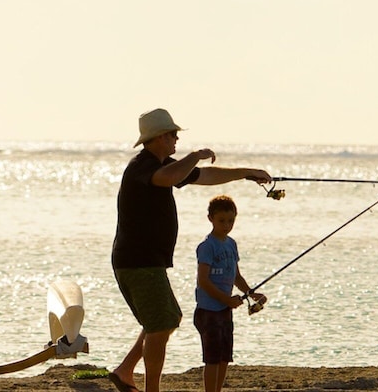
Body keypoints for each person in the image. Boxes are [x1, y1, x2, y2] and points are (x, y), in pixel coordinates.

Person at [108, 108, 271, 392]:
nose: (176, 139)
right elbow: (167, 177)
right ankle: (150, 389)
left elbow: (204, 176)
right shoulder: (143, 167)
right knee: (161, 323)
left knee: (165, 318)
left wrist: (246, 173)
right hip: (138, 262)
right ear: (159, 137)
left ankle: (125, 371)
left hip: (147, 261)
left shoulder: (163, 164)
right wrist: (194, 155)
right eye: (172, 134)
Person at [193, 195, 266, 392]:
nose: (227, 225)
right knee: (212, 359)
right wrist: (227, 299)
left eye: (231, 221)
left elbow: (237, 277)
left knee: (225, 357)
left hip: (225, 310)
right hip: (208, 311)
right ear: (211, 219)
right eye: (222, 221)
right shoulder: (207, 246)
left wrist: (251, 294)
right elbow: (203, 281)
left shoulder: (231, 244)